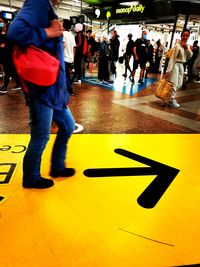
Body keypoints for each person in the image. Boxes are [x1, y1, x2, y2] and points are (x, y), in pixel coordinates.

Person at [7, 0, 75, 189]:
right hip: (42, 87)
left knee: (68, 126)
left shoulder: (47, 6)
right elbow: (15, 32)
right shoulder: (37, 3)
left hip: (55, 88)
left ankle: (58, 166)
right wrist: (49, 32)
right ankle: (31, 177)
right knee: (41, 136)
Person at [166, 29, 192, 108]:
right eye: (183, 35)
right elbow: (172, 58)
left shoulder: (186, 46)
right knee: (174, 83)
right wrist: (168, 70)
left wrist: (186, 48)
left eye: (187, 35)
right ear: (181, 36)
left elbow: (190, 56)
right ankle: (171, 99)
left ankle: (169, 97)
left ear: (188, 36)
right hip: (176, 65)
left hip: (182, 65)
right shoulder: (177, 45)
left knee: (179, 83)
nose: (185, 37)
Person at [0, 16, 22, 94]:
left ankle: (5, 87)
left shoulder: (10, 31)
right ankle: (19, 83)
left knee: (7, 70)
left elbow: (14, 41)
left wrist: (5, 44)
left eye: (1, 21)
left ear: (5, 23)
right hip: (2, 53)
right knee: (12, 71)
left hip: (9, 53)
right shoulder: (0, 31)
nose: (0, 23)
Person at [63, 19, 76, 95]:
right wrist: (73, 58)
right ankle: (68, 89)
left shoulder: (63, 34)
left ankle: (70, 90)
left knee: (64, 75)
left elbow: (63, 45)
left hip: (64, 58)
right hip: (70, 58)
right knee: (67, 74)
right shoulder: (71, 35)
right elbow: (74, 48)